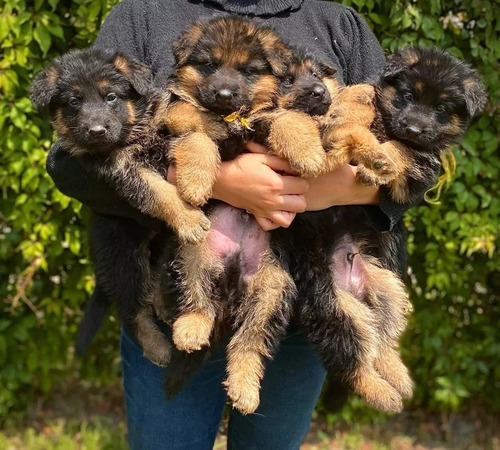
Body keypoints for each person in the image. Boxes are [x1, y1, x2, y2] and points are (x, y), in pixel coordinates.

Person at [46, 1, 433, 448]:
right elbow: (68, 163)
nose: (228, 87)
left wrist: (332, 189)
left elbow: (417, 151)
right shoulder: (143, 14)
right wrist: (220, 182)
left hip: (295, 314)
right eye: (206, 65)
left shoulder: (337, 22)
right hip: (178, 305)